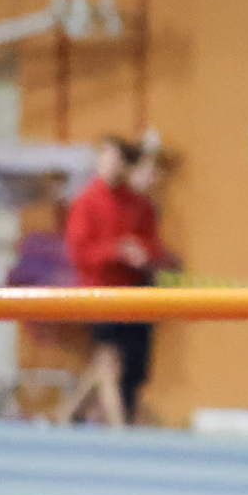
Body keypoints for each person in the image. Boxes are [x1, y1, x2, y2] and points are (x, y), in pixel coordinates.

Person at [65, 136, 165, 426]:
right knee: (109, 360)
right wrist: (115, 251)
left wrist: (143, 254)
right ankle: (119, 426)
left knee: (132, 365)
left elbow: (154, 245)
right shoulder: (86, 201)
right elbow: (79, 251)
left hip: (135, 291)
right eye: (105, 158)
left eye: (116, 160)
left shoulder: (138, 204)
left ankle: (71, 414)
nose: (110, 166)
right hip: (100, 291)